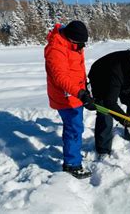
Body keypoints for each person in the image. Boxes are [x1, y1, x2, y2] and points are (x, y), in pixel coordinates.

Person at [44, 20, 95, 179]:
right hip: (65, 97)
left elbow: (77, 69)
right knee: (73, 128)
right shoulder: (56, 50)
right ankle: (72, 164)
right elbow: (61, 78)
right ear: (71, 39)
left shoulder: (73, 44)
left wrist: (85, 88)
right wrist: (80, 94)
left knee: (76, 127)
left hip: (76, 93)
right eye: (80, 43)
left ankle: (74, 154)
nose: (82, 47)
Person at [87, 48, 130, 158]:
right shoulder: (115, 73)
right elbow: (110, 103)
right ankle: (103, 149)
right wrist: (127, 122)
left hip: (127, 76)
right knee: (105, 110)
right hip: (101, 76)